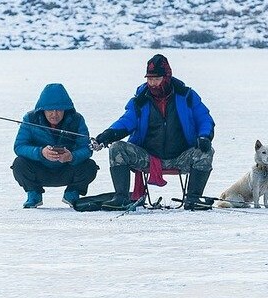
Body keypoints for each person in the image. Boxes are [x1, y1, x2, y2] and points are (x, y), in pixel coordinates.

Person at [90, 54, 217, 210]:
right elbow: (126, 121)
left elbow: (204, 119)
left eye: (156, 79)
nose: (153, 83)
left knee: (206, 151)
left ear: (167, 78)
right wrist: (107, 135)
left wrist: (204, 136)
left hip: (181, 156)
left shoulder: (187, 96)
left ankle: (193, 198)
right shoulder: (140, 100)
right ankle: (121, 198)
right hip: (149, 158)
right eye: (149, 79)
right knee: (117, 148)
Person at [11, 83, 98, 208]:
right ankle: (33, 193)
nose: (54, 114)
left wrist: (71, 156)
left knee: (90, 166)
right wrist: (41, 153)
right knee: (19, 164)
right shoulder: (30, 119)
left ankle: (72, 192)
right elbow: (19, 146)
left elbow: (86, 148)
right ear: (43, 109)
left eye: (59, 110)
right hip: (40, 168)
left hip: (67, 169)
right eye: (50, 110)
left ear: (66, 109)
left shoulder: (77, 119)